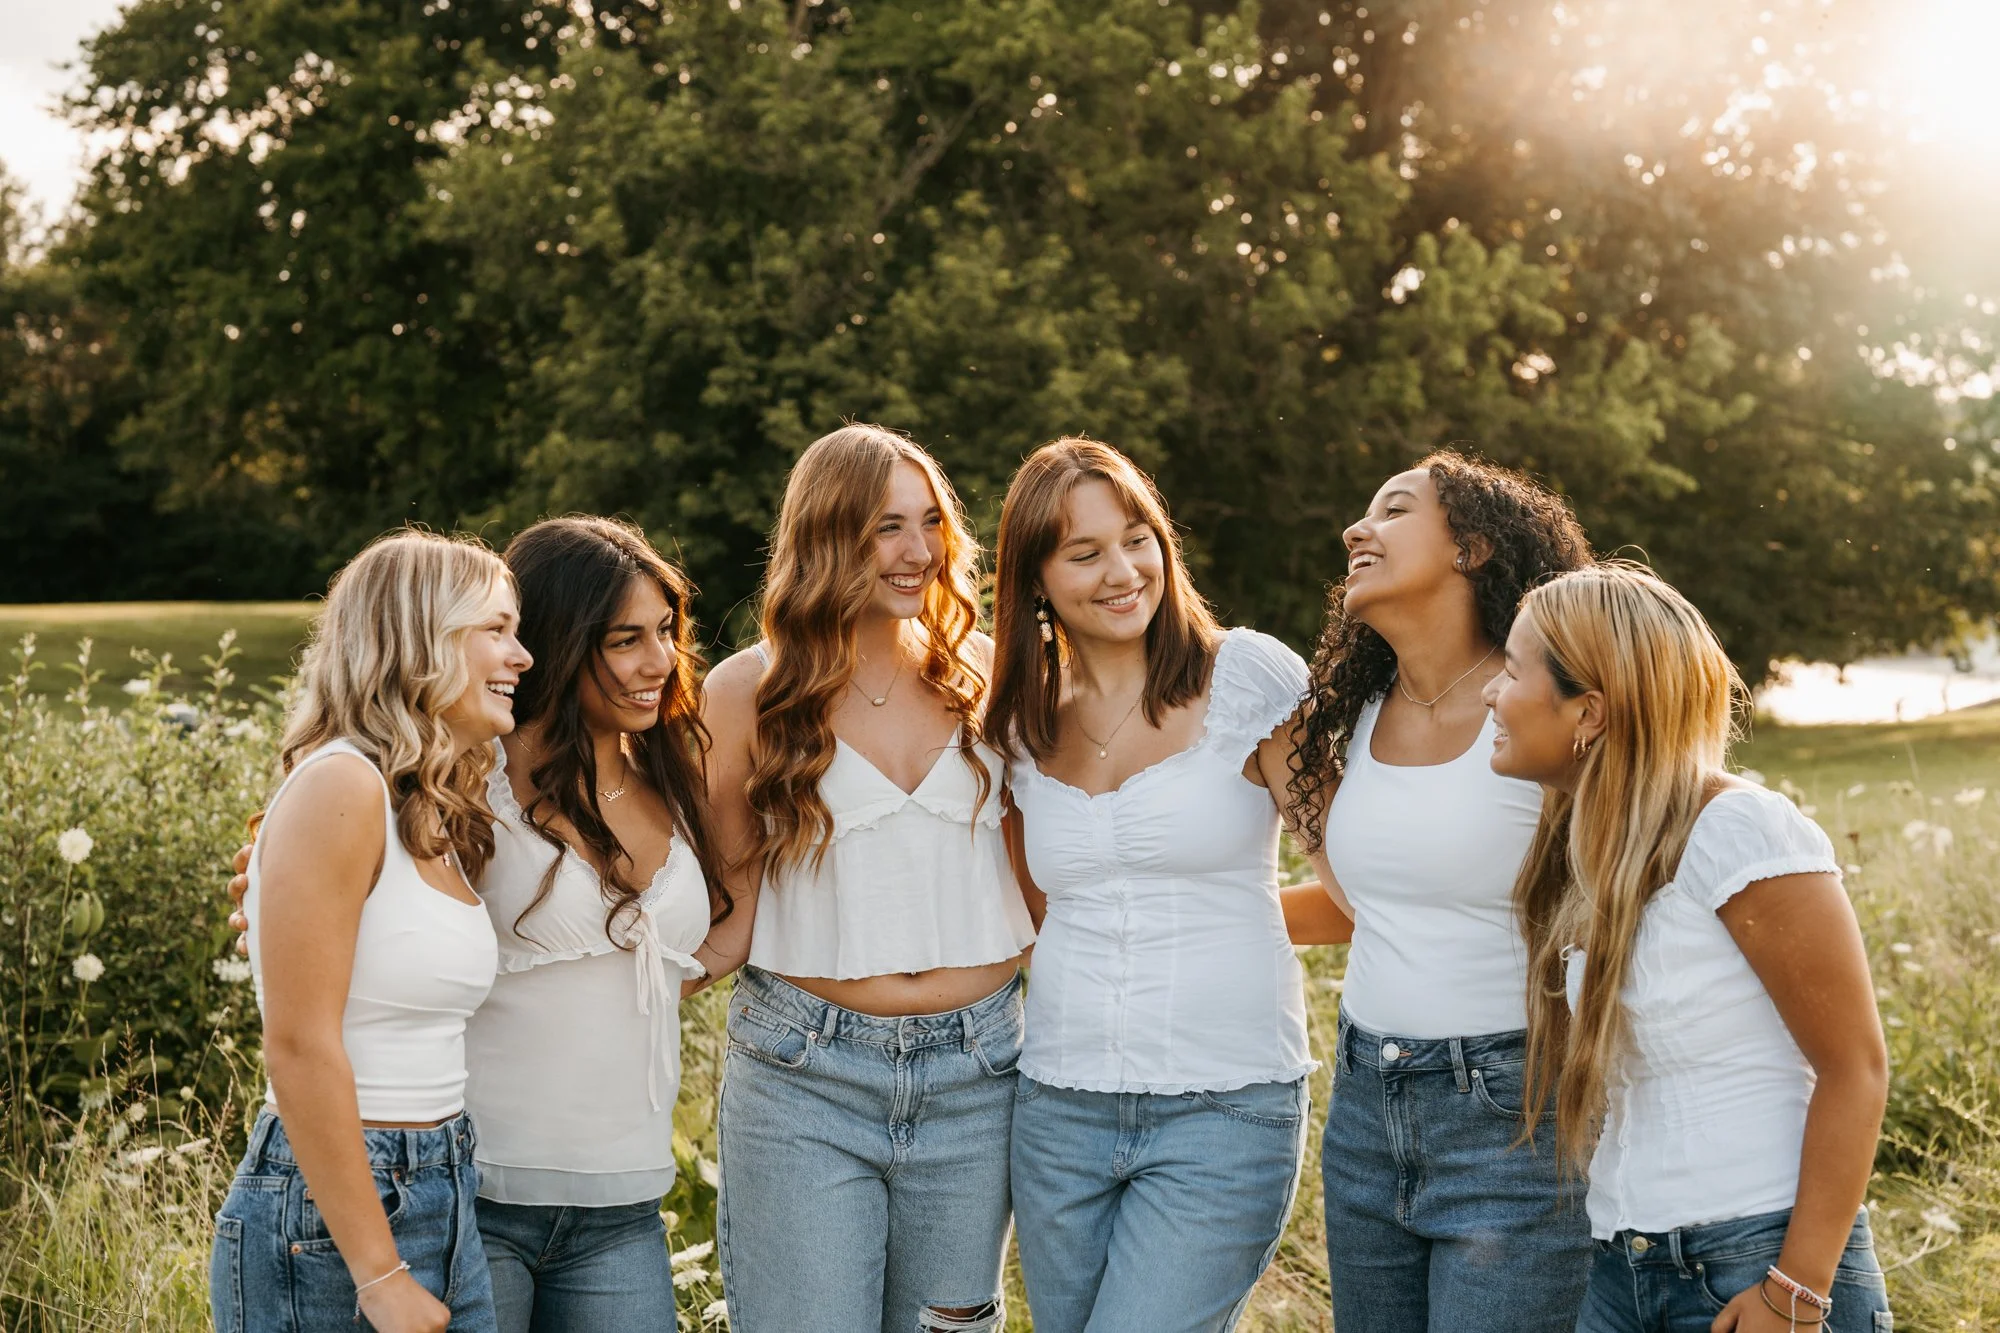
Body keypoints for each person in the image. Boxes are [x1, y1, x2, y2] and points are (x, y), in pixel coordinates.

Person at [1483, 562, 1892, 1332]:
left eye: (1509, 670)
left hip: (1754, 1260)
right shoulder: (1595, 850)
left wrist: (1795, 1289)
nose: (1489, 693)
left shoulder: (1739, 830)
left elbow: (1856, 1068)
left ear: (1590, 711)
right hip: (1621, 1262)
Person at [696, 424, 1036, 1333]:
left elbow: (1056, 871)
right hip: (803, 1074)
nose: (918, 550)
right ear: (827, 534)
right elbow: (717, 903)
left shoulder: (992, 678)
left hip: (980, 1073)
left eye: (930, 523)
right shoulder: (745, 694)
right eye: (887, 527)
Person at [986, 438, 1314, 1333]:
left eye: (1137, 538)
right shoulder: (1018, 724)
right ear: (1035, 581)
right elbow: (1035, 910)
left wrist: (1227, 923)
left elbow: (1359, 877)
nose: (1123, 570)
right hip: (1058, 1106)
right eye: (1084, 553)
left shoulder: (1247, 676)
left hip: (1225, 1102)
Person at [1284, 452, 1595, 1331]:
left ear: (1472, 549)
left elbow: (1630, 891)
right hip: (1365, 1108)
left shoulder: (1543, 704)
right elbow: (1374, 905)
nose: (1357, 529)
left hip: (1514, 1114)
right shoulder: (1358, 709)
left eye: (1392, 510)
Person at [212, 530, 527, 1333]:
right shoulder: (341, 785)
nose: (521, 655)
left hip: (444, 1181)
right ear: (419, 637)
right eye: (495, 629)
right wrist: (379, 1274)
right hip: (336, 1215)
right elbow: (299, 1045)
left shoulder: (432, 803)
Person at [468, 516, 729, 1332]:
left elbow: (735, 910)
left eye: (664, 632)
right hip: (479, 1197)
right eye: (626, 640)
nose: (660, 662)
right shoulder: (468, 779)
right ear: (554, 640)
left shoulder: (675, 771)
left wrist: (684, 972)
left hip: (624, 1203)